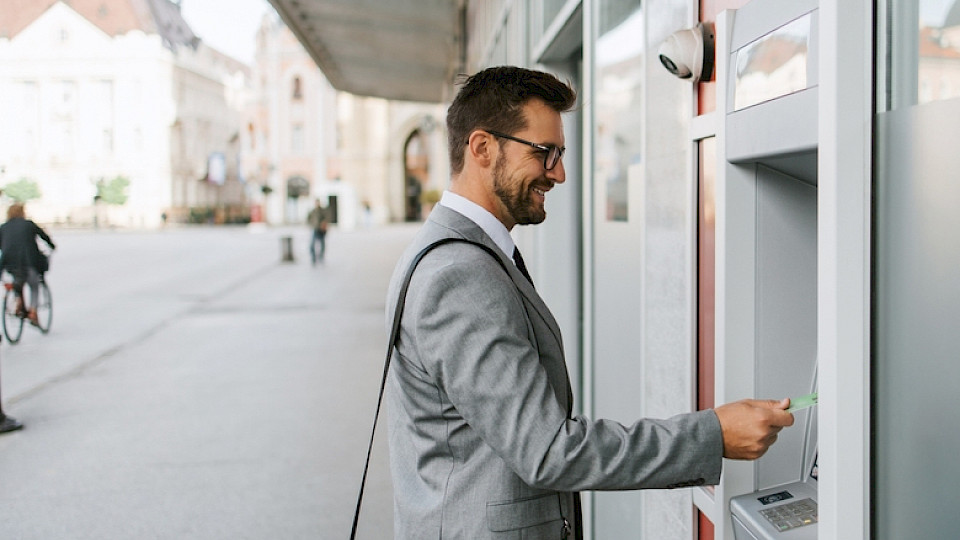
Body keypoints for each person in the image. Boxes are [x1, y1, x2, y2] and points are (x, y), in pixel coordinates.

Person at [384, 66, 794, 539]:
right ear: (482, 148)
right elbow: (548, 451)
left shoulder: (454, 253)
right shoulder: (460, 275)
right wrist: (713, 435)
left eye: (559, 154)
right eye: (545, 153)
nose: (557, 173)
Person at [0, 203, 55, 326]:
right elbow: (44, 237)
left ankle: (19, 303)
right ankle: (33, 312)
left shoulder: (3, 227)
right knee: (34, 285)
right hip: (29, 262)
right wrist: (52, 246)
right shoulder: (29, 225)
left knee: (17, 282)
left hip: (10, 265)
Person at [306, 199, 329, 265]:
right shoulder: (313, 211)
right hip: (314, 229)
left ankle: (321, 256)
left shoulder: (322, 211)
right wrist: (311, 225)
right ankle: (313, 257)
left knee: (322, 244)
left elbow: (326, 219)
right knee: (312, 244)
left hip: (321, 230)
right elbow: (308, 219)